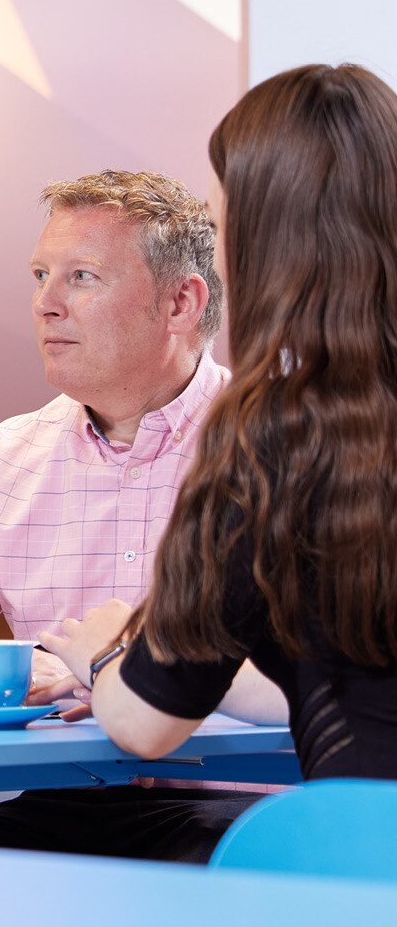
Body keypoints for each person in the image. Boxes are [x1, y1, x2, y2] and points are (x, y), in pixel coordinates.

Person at [0, 169, 282, 861]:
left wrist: (125, 670)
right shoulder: (4, 459)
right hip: (64, 800)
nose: (45, 303)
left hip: (248, 804)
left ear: (181, 303)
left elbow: (328, 670)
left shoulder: (286, 441)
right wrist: (31, 667)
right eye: (40, 274)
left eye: (82, 278)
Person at [40, 63, 397, 783]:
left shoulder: (271, 437)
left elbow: (145, 723)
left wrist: (109, 648)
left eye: (219, 218)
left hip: (358, 866)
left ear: (263, 245)